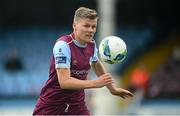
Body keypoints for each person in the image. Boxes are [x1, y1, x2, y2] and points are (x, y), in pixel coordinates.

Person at [33, 7, 133, 115]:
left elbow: (95, 63)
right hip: (52, 106)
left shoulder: (91, 44)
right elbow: (64, 82)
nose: (90, 30)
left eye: (93, 27)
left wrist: (112, 88)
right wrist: (95, 83)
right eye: (86, 26)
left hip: (76, 106)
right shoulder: (63, 45)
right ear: (74, 25)